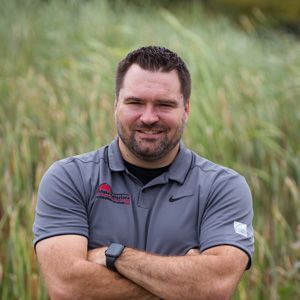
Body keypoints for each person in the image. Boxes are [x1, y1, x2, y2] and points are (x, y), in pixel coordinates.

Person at [33, 46, 254, 299]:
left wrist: (114, 255)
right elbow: (67, 288)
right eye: (135, 102)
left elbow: (214, 287)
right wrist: (183, 284)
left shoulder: (223, 187)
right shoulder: (68, 178)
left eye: (164, 104)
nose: (149, 117)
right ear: (116, 104)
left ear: (186, 109)